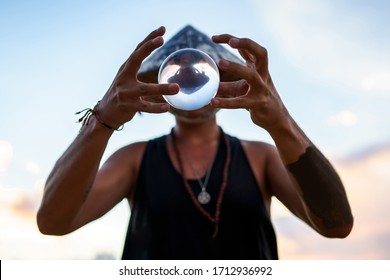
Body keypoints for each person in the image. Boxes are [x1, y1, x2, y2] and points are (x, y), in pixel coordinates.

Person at [37, 26, 353, 260]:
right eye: (179, 74)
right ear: (160, 86)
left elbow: (337, 225)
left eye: (201, 73)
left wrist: (280, 121)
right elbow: (53, 221)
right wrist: (101, 121)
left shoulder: (260, 157)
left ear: (225, 81)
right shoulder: (134, 160)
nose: (188, 81)